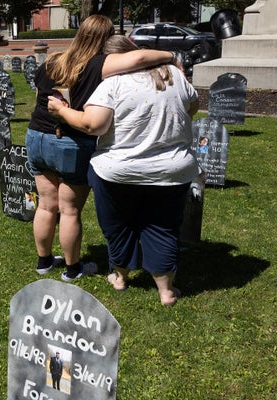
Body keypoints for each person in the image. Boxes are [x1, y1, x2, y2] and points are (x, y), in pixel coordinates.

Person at [48, 35, 199, 305]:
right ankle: (166, 292)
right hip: (172, 170)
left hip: (118, 171)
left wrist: (61, 111)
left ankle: (120, 278)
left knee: (119, 225)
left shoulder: (112, 83)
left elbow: (93, 125)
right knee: (163, 226)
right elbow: (192, 107)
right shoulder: (174, 75)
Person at [26, 14, 178, 282]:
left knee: (47, 206)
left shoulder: (52, 60)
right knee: (70, 209)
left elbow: (39, 97)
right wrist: (170, 54)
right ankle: (72, 269)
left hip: (36, 135)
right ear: (106, 38)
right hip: (71, 142)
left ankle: (44, 261)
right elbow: (140, 58)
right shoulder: (99, 64)